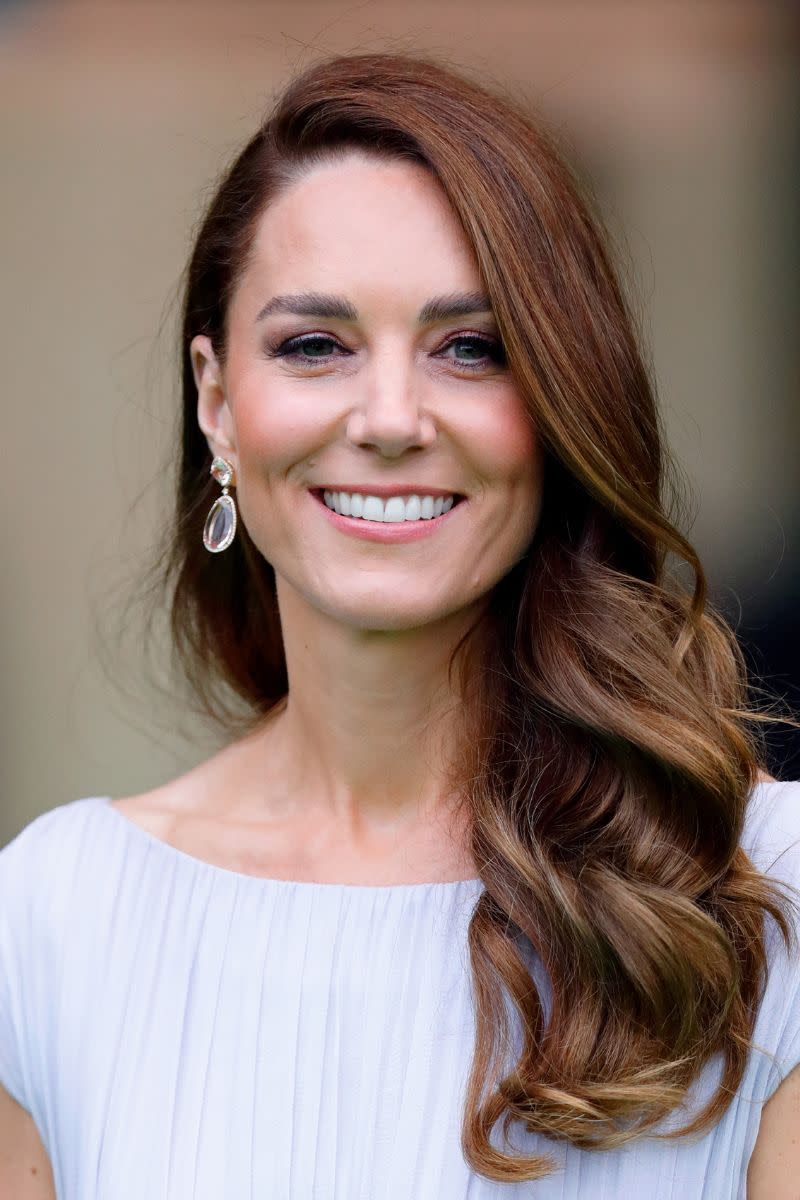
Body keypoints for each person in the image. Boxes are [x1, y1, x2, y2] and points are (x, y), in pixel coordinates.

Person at [1, 50, 798, 1200]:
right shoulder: (55, 922)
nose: (387, 419)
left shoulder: (758, 892)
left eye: (468, 347)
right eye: (313, 345)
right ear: (218, 402)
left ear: (560, 399)